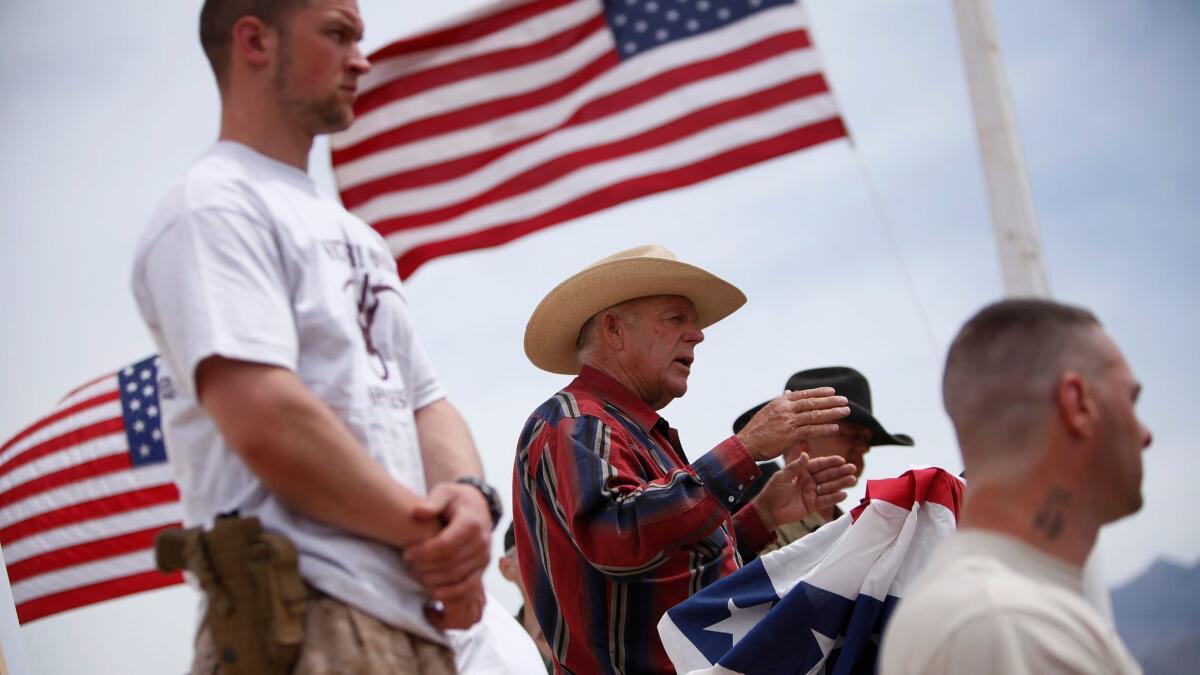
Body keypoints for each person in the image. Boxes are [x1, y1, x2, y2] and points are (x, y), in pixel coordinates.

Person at [130, 1, 500, 672]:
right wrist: (440, 542)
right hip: (302, 618)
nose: (362, 58)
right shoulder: (212, 204)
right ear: (254, 40)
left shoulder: (360, 236)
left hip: (415, 625)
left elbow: (425, 400)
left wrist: (472, 499)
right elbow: (268, 418)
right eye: (338, 34)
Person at [512, 245, 859, 674]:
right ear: (614, 329)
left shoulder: (607, 425)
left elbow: (662, 564)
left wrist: (761, 516)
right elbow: (617, 538)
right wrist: (745, 449)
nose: (697, 335)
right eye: (677, 318)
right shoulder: (580, 421)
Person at [879, 299, 1150, 675]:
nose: (1146, 434)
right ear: (1078, 404)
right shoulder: (1004, 624)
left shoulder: (1000, 612)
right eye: (1131, 400)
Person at [732, 366, 914, 558]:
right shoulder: (740, 521)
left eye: (866, 441)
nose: (863, 449)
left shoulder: (860, 533)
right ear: (799, 437)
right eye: (851, 435)